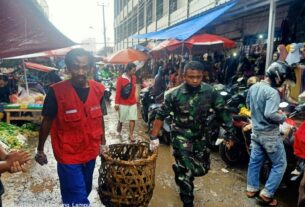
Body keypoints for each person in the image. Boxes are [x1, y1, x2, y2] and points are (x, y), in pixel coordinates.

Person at [149, 61, 233, 207]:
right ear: (183, 76)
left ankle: (180, 171)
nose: (195, 80)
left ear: (203, 76)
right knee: (187, 172)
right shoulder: (173, 95)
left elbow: (222, 112)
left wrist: (229, 134)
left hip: (201, 135)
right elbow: (160, 115)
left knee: (202, 169)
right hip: (181, 136)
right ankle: (187, 201)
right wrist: (154, 137)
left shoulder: (210, 92)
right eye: (191, 77)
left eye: (198, 77)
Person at [35, 48, 107, 206]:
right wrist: (40, 150)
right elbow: (46, 122)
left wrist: (103, 144)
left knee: (84, 189)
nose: (81, 72)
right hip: (68, 155)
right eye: (76, 67)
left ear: (90, 68)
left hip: (90, 153)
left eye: (85, 67)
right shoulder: (56, 92)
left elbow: (100, 118)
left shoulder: (99, 90)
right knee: (78, 198)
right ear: (68, 68)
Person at [246, 61, 296, 206]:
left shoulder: (254, 87)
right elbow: (270, 114)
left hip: (256, 132)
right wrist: (282, 117)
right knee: (280, 164)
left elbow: (249, 105)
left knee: (255, 161)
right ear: (278, 76)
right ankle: (267, 194)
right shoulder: (272, 92)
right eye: (283, 80)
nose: (282, 84)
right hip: (269, 135)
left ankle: (251, 188)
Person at [114, 62, 137, 142]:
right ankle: (118, 133)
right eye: (133, 70)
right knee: (121, 120)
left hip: (132, 102)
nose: (134, 72)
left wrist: (136, 99)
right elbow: (118, 92)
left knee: (132, 118)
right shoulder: (120, 79)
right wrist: (116, 103)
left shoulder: (134, 78)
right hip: (123, 103)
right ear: (128, 70)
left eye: (135, 70)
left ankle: (131, 134)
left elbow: (134, 90)